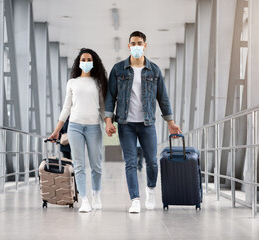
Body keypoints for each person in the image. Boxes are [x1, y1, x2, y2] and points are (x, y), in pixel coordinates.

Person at [104, 31, 182, 213]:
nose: (136, 46)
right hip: (125, 124)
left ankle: (150, 190)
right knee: (130, 162)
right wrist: (109, 122)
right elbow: (110, 98)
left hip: (147, 124)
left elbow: (163, 98)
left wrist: (171, 123)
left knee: (152, 162)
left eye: (140, 43)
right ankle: (135, 200)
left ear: (145, 45)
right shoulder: (118, 69)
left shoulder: (154, 70)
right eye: (133, 43)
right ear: (129, 46)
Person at [49, 48, 108, 213]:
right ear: (79, 62)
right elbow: (66, 107)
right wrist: (56, 131)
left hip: (94, 127)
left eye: (89, 59)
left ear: (93, 62)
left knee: (96, 164)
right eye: (84, 59)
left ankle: (96, 194)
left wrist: (109, 125)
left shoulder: (98, 82)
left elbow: (103, 108)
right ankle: (84, 199)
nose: (87, 62)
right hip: (75, 126)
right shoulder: (72, 83)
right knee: (79, 165)